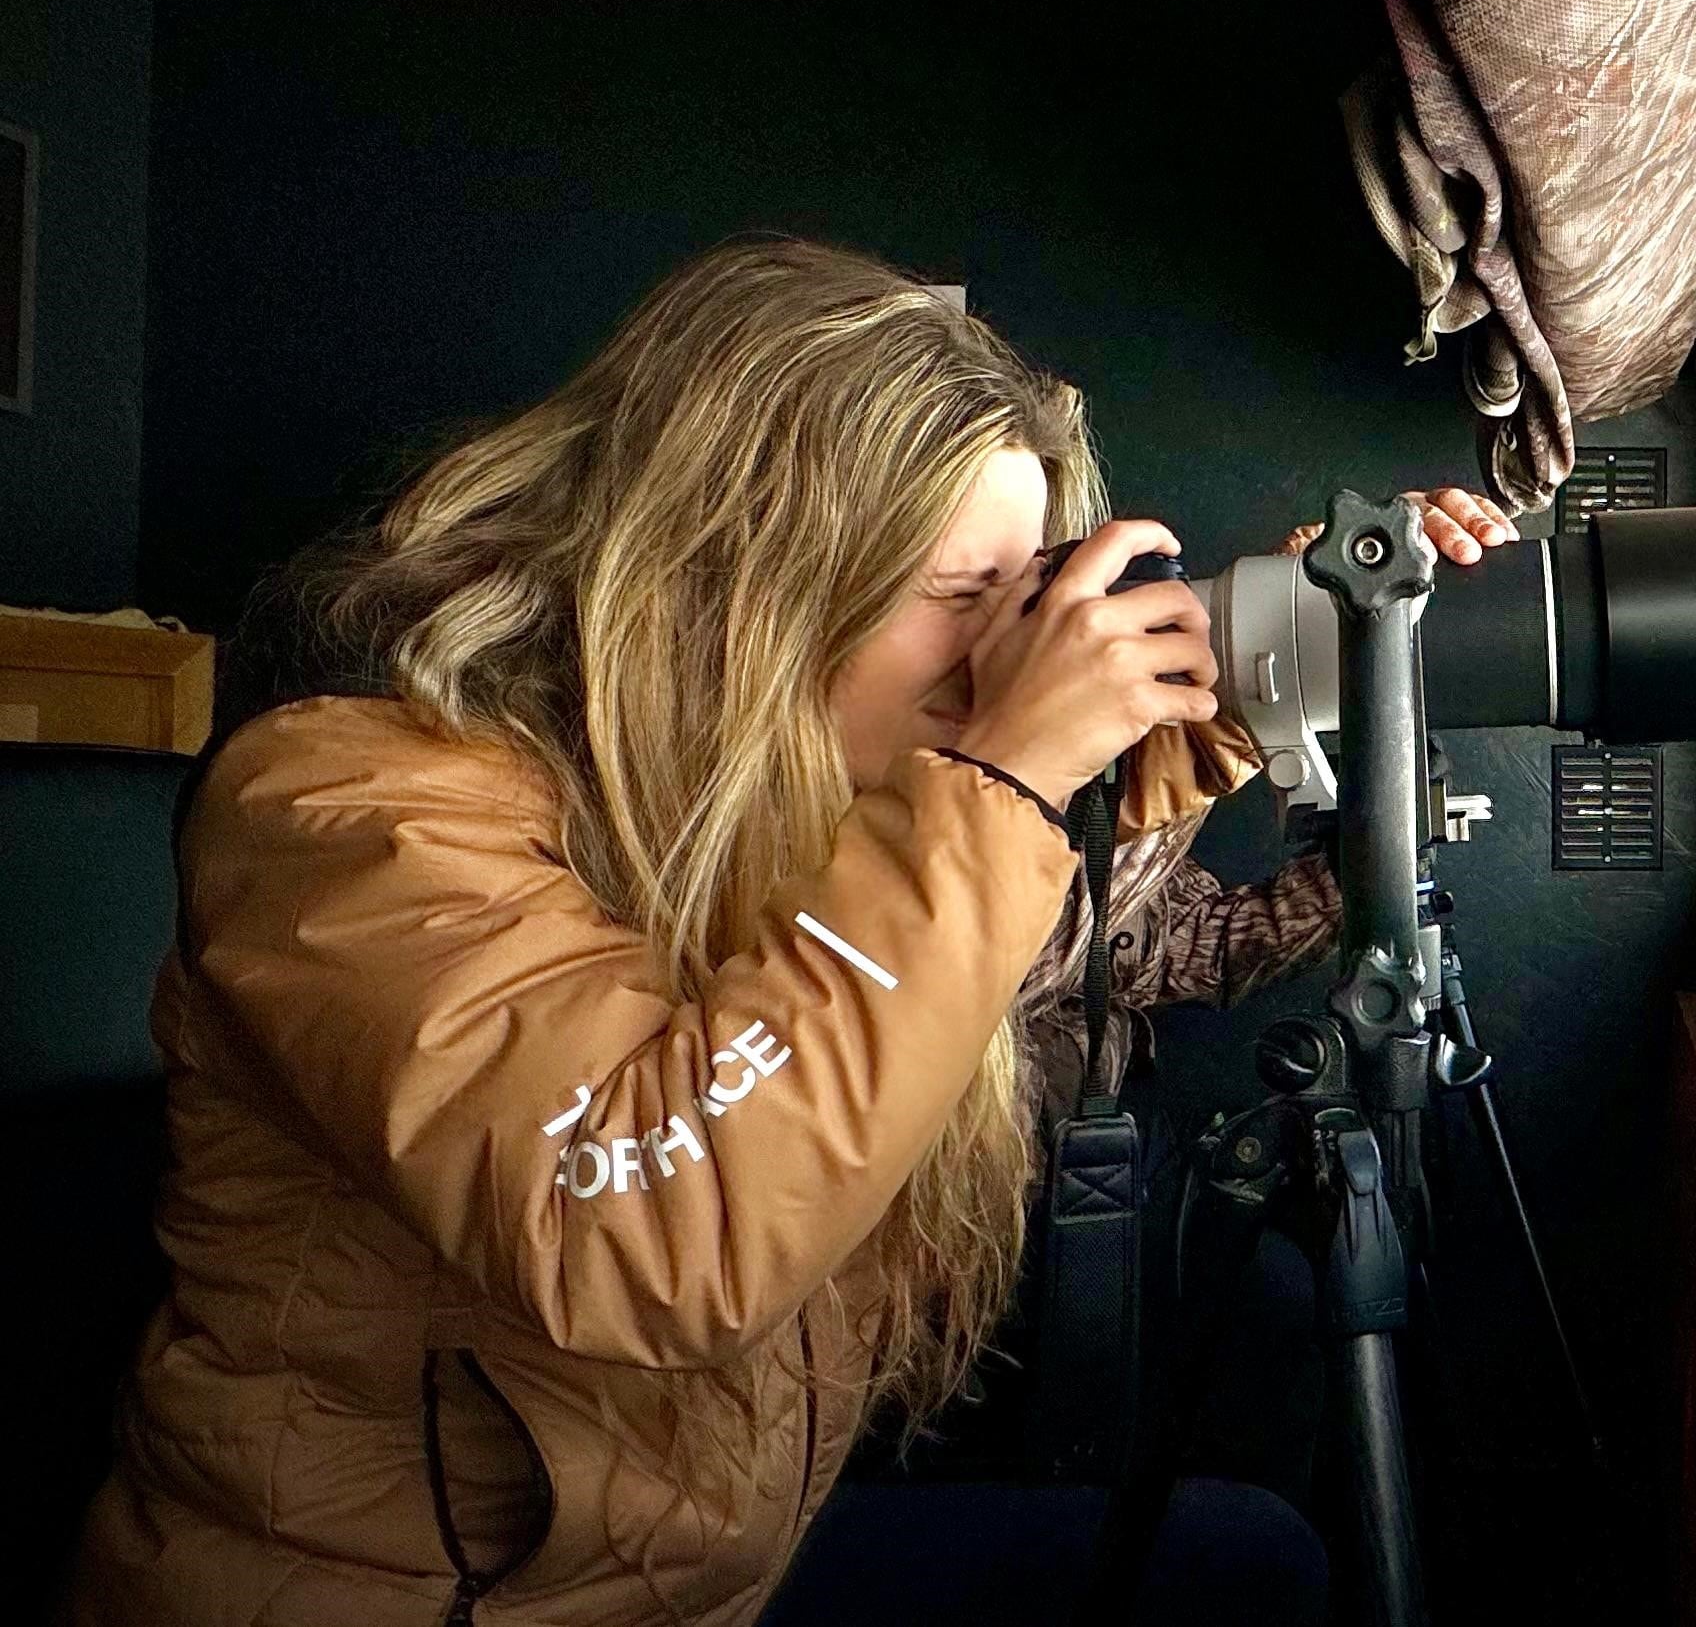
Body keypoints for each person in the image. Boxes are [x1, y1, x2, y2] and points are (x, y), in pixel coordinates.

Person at [62, 237, 1514, 1627]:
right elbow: (651, 1224)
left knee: (1250, 1569)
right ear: (732, 580)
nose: (1008, 652)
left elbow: (989, 922)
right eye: (964, 599)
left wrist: (1305, 642)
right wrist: (1007, 778)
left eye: (1023, 595)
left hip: (682, 1590)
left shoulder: (779, 794)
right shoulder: (351, 813)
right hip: (436, 1607)